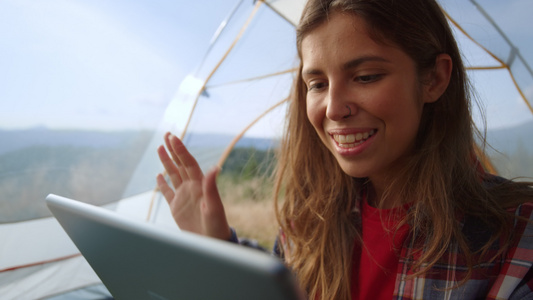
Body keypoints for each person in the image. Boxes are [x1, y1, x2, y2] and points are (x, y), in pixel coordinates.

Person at [157, 0, 533, 299]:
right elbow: (280, 285)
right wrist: (220, 247)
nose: (334, 108)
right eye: (317, 84)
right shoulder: (307, 223)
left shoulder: (518, 238)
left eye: (366, 76)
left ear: (434, 79)